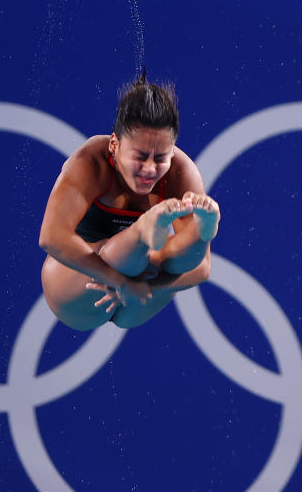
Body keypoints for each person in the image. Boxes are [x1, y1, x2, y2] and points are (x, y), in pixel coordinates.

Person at [38, 71, 221, 330]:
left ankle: (199, 232)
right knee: (111, 252)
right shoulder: (91, 162)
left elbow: (202, 269)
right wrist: (119, 281)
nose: (149, 169)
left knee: (168, 255)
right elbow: (51, 237)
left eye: (160, 159)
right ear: (114, 143)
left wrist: (143, 285)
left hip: (137, 296)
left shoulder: (181, 170)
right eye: (140, 156)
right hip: (77, 289)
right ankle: (143, 231)